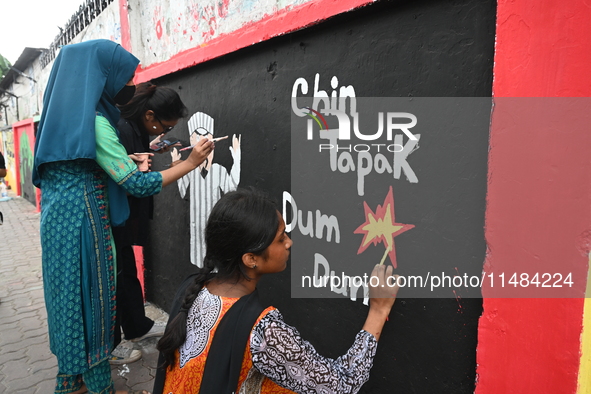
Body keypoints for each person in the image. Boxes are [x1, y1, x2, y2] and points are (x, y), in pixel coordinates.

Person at [33, 39, 214, 394]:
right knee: (94, 302)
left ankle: (70, 382)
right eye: (124, 77)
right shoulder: (96, 122)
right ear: (101, 76)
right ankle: (99, 385)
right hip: (84, 224)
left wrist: (120, 162)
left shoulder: (59, 118)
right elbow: (138, 185)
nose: (129, 86)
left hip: (57, 221)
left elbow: (78, 165)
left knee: (68, 300)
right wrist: (191, 164)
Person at [153, 188, 399, 394]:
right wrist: (378, 311)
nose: (290, 241)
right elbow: (340, 387)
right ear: (251, 259)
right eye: (281, 239)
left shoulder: (192, 286)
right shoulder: (263, 332)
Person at [110, 82, 188, 365]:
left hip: (124, 215)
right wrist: (187, 165)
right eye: (164, 127)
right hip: (115, 213)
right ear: (149, 115)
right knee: (116, 274)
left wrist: (153, 147)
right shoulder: (119, 128)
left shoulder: (132, 129)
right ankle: (112, 346)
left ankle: (136, 326)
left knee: (126, 268)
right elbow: (136, 183)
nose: (165, 133)